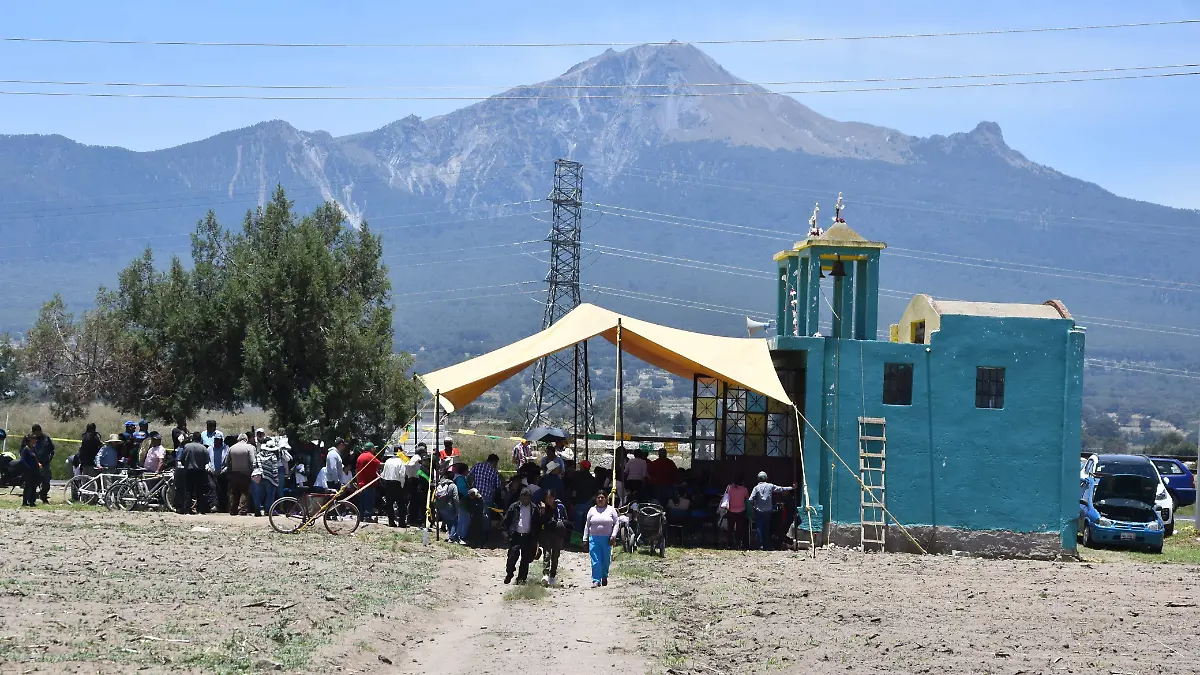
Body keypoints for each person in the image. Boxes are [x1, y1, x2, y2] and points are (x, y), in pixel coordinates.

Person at [502, 487, 542, 585]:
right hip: (516, 536)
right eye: (523, 498)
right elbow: (506, 521)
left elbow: (538, 524)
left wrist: (537, 538)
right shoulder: (514, 507)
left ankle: (521, 579)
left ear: (530, 498)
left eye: (527, 498)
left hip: (528, 537)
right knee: (512, 557)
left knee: (525, 559)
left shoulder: (534, 508)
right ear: (520, 497)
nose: (525, 500)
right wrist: (506, 534)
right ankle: (510, 573)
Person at [749, 471, 795, 551]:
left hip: (759, 511)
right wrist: (791, 487)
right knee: (766, 528)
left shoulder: (756, 488)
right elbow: (781, 489)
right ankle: (766, 545)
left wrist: (754, 506)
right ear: (766, 478)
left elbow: (750, 499)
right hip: (768, 511)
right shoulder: (770, 486)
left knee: (759, 528)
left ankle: (760, 545)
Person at [585, 491, 620, 588]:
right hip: (594, 538)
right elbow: (587, 525)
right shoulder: (592, 510)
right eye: (598, 497)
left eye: (602, 497)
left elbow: (616, 523)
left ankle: (604, 576)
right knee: (595, 560)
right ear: (596, 499)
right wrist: (585, 539)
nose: (600, 499)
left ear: (606, 499)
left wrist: (613, 535)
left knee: (605, 560)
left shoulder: (611, 510)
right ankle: (596, 580)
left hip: (607, 539)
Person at [224, 433, 259, 516]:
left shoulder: (232, 448)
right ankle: (242, 510)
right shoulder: (249, 447)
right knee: (244, 492)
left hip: (234, 473)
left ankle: (233, 509)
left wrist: (230, 470)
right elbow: (252, 460)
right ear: (246, 440)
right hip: (245, 473)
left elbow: (227, 461)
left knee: (234, 492)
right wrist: (251, 471)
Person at [539, 489, 569, 587]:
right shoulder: (543, 507)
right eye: (547, 498)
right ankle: (545, 574)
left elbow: (566, 519)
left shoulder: (560, 507)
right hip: (547, 532)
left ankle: (552, 575)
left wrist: (561, 523)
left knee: (555, 555)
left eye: (550, 498)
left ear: (554, 498)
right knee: (547, 554)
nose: (549, 500)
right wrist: (542, 512)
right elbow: (540, 521)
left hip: (558, 533)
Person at [178, 432, 212, 514]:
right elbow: (207, 461)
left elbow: (182, 459)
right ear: (200, 439)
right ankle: (200, 510)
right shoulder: (203, 448)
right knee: (200, 491)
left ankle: (187, 509)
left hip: (189, 471)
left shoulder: (187, 446)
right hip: (200, 472)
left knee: (188, 490)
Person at [569, 460, 599, 536]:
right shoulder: (592, 478)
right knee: (587, 524)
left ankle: (576, 542)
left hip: (579, 502)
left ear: (582, 467)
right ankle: (587, 541)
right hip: (588, 502)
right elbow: (594, 491)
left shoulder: (576, 477)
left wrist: (572, 502)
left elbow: (573, 490)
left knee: (577, 524)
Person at [255, 438, 283, 517]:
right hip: (270, 479)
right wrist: (276, 479)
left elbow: (254, 464)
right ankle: (268, 510)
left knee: (259, 494)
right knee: (270, 495)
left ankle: (257, 510)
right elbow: (274, 469)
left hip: (260, 477)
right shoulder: (273, 456)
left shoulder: (259, 455)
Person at [355, 442, 382, 522]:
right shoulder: (370, 456)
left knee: (362, 502)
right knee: (369, 501)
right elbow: (379, 464)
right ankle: (368, 517)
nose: (374, 450)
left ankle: (361, 517)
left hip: (361, 483)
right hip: (369, 483)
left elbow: (357, 470)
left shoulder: (360, 457)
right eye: (374, 448)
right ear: (371, 449)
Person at [380, 449, 407, 527]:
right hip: (397, 483)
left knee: (389, 504)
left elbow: (383, 474)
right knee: (401, 504)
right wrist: (402, 485)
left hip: (388, 483)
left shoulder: (388, 461)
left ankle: (391, 522)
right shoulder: (401, 462)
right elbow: (402, 474)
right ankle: (401, 522)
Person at [723, 475, 750, 550]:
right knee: (739, 528)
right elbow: (747, 498)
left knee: (730, 528)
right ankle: (738, 544)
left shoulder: (729, 487)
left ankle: (729, 544)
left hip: (730, 510)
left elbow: (726, 496)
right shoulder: (744, 489)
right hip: (741, 511)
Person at [406, 445, 429, 526]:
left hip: (413, 479)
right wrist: (412, 474)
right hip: (415, 480)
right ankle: (413, 519)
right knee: (414, 501)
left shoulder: (414, 457)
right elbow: (410, 465)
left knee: (414, 501)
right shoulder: (417, 458)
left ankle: (413, 519)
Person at [434, 474, 461, 543]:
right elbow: (456, 498)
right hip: (450, 506)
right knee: (454, 522)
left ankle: (452, 536)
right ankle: (452, 538)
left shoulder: (440, 484)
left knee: (448, 522)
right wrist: (457, 509)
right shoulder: (453, 486)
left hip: (441, 506)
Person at [451, 462, 471, 545]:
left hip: (458, 502)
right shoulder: (460, 479)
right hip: (461, 502)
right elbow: (462, 490)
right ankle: (459, 537)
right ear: (464, 471)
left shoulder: (458, 477)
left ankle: (453, 536)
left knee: (458, 519)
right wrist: (470, 493)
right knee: (463, 520)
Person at [19, 435, 42, 507]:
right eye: (33, 439)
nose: (35, 441)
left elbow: (35, 458)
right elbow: (22, 461)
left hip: (35, 471)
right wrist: (28, 468)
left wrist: (38, 464)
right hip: (29, 471)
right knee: (28, 486)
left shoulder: (33, 449)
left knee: (34, 486)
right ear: (29, 441)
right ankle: (25, 501)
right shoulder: (25, 449)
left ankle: (32, 501)